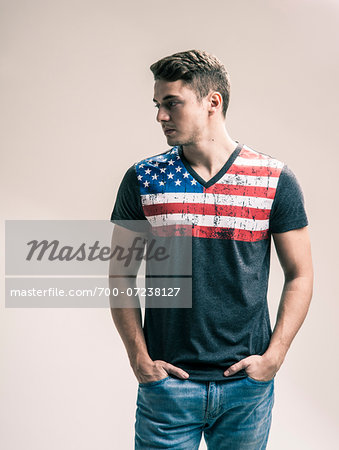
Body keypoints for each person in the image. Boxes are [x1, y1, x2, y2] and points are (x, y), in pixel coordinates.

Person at [109, 49, 314, 449]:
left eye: (172, 103)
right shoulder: (143, 178)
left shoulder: (274, 179)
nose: (160, 116)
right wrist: (139, 358)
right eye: (157, 104)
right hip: (168, 387)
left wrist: (275, 356)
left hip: (245, 388)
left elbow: (301, 273)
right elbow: (120, 272)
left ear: (212, 102)